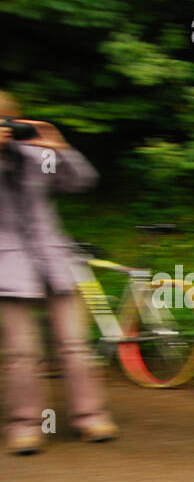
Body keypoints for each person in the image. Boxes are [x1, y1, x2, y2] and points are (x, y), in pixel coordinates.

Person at [0, 91, 116, 454]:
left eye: (8, 119)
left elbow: (79, 182)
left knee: (76, 345)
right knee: (22, 351)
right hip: (7, 266)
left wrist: (61, 147)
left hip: (55, 262)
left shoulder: (40, 155)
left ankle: (90, 416)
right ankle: (25, 425)